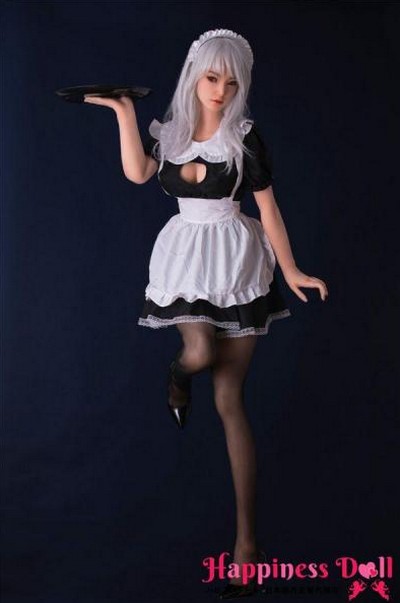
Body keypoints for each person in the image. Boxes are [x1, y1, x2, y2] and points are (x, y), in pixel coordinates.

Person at [84, 28, 328, 600]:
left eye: (231, 82)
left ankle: (247, 547)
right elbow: (138, 173)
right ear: (195, 75)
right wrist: (123, 111)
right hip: (187, 262)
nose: (220, 90)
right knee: (197, 352)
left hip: (238, 265)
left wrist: (292, 270)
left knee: (228, 401)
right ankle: (178, 374)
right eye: (212, 77)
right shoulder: (171, 132)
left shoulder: (244, 139)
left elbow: (268, 209)